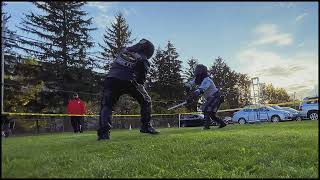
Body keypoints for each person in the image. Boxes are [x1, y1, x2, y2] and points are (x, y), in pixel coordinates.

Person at [97, 38, 159, 140]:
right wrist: (139, 82)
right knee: (146, 100)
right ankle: (146, 126)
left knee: (107, 105)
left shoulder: (124, 50)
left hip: (111, 78)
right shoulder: (143, 58)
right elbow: (141, 79)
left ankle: (104, 134)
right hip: (129, 80)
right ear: (148, 51)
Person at [185, 64, 226, 129]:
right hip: (212, 98)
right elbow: (190, 84)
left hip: (216, 96)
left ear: (201, 71)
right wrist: (187, 87)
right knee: (212, 114)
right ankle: (222, 123)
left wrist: (191, 96)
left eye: (197, 70)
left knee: (205, 108)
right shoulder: (197, 79)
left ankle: (206, 126)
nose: (196, 72)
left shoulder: (207, 80)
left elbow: (201, 90)